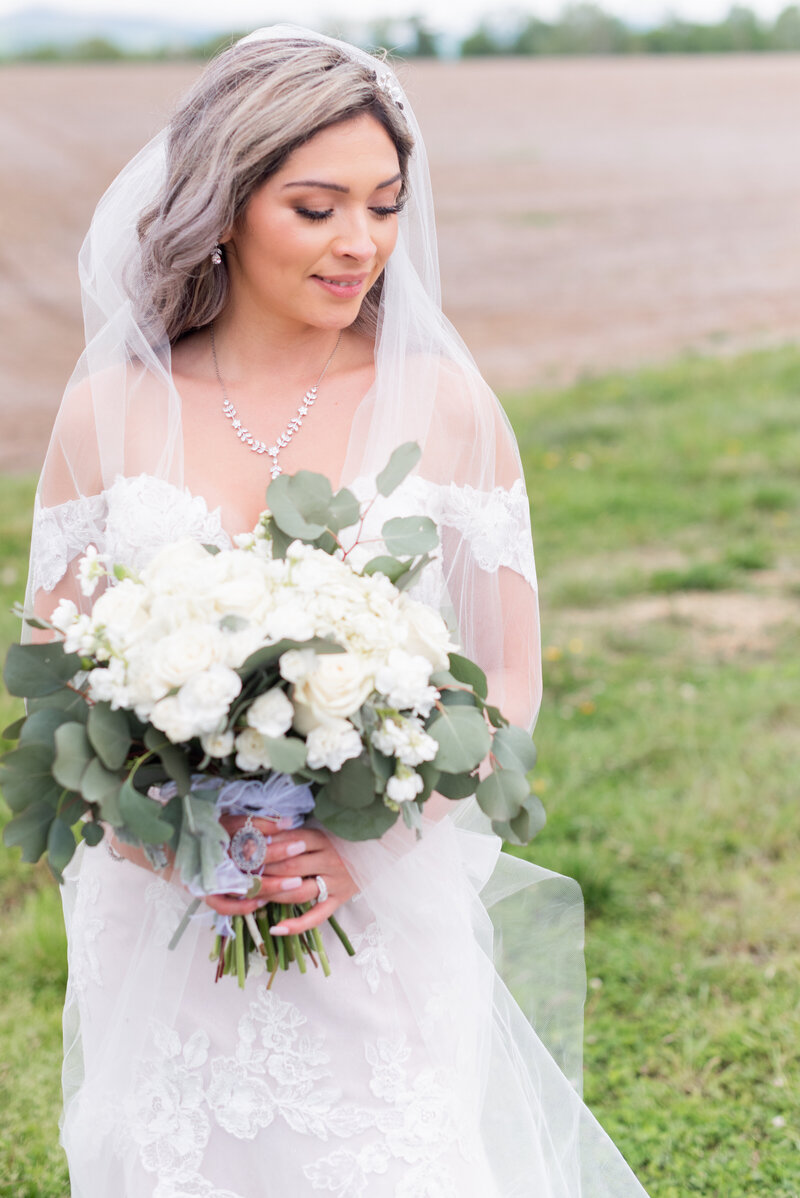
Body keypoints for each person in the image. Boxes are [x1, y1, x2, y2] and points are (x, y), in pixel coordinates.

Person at [25, 25, 652, 1198]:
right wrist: (154, 834)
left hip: (372, 897)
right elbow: (53, 670)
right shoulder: (110, 408)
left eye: (383, 205)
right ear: (223, 205)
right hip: (165, 907)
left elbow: (504, 678)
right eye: (315, 208)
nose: (358, 243)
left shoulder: (444, 404)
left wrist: (375, 845)